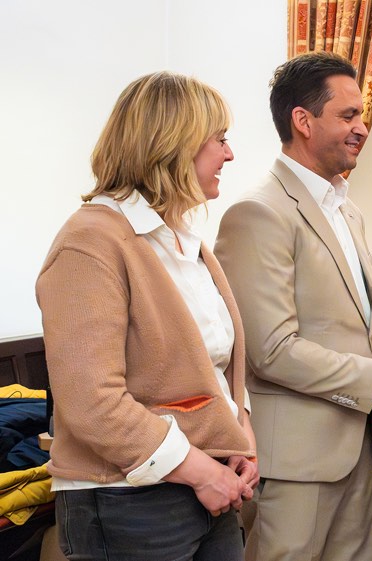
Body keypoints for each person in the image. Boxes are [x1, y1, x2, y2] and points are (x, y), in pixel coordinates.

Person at [214, 51, 372, 561]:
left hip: (356, 450)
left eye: (360, 115)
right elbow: (270, 351)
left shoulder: (347, 211)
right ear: (302, 120)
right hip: (294, 462)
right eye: (348, 116)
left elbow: (356, 330)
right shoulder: (258, 213)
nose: (362, 127)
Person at [36, 71, 259, 561]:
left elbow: (215, 369)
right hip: (127, 499)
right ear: (173, 144)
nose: (230, 154)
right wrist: (203, 472)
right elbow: (92, 402)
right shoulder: (90, 242)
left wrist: (239, 438)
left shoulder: (182, 240)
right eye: (219, 139)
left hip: (207, 483)